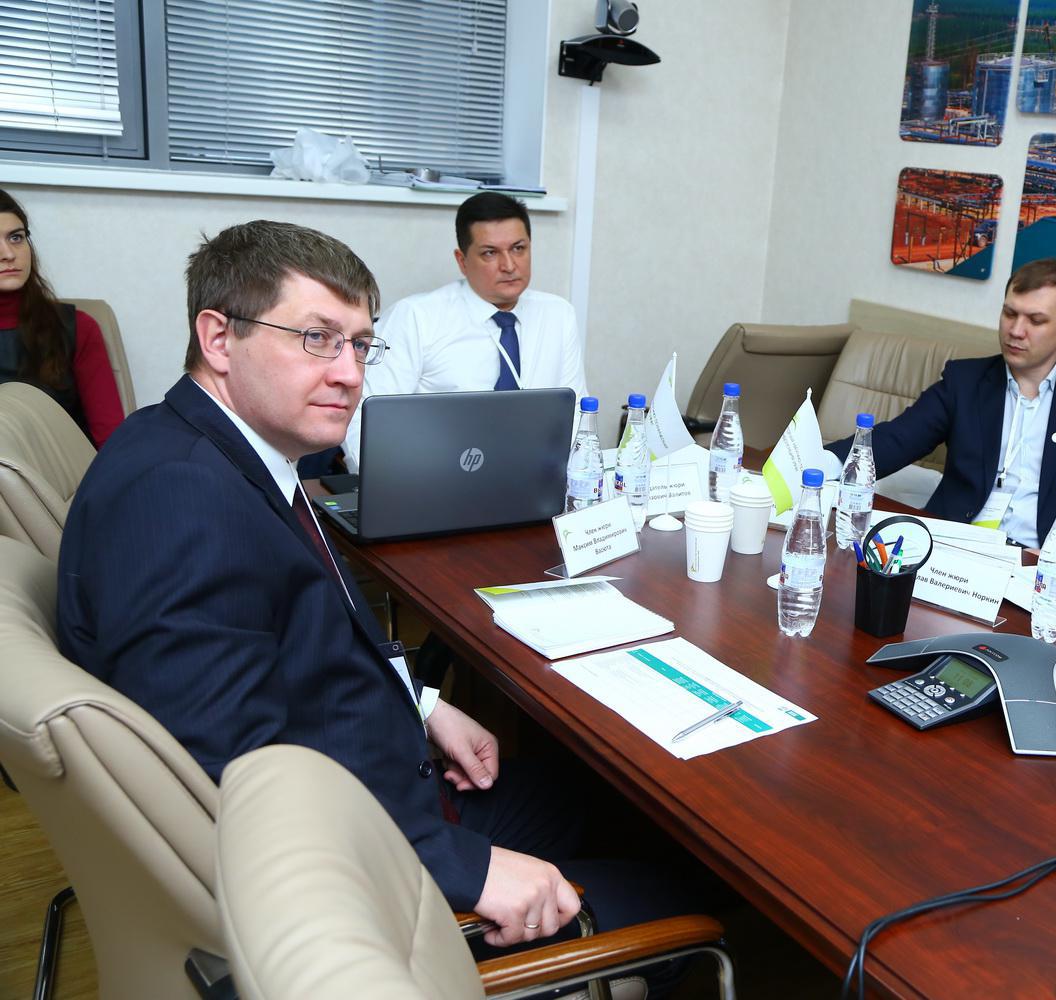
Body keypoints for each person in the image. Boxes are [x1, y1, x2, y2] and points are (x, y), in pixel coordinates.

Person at [56, 221, 675, 949]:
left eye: (359, 344)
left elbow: (291, 643)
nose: (351, 374)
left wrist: (424, 705)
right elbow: (228, 788)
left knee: (617, 802)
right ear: (219, 339)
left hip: (377, 786)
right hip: (357, 882)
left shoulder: (216, 449)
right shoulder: (180, 502)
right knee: (678, 889)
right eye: (316, 338)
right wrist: (464, 870)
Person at [829, 258, 1056, 574]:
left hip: (1039, 568)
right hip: (951, 554)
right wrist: (818, 464)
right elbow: (896, 439)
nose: (1016, 331)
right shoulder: (965, 381)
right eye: (1009, 314)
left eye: (1035, 320)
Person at [343, 192, 586, 470]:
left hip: (534, 475)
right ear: (462, 261)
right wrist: (387, 482)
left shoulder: (558, 314)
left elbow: (576, 413)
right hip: (433, 474)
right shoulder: (416, 317)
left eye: (519, 248)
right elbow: (364, 418)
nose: (509, 265)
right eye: (490, 253)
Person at [0, 189, 124, 447]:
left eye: (16, 237)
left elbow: (113, 443)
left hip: (65, 472)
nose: (8, 254)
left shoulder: (78, 327)